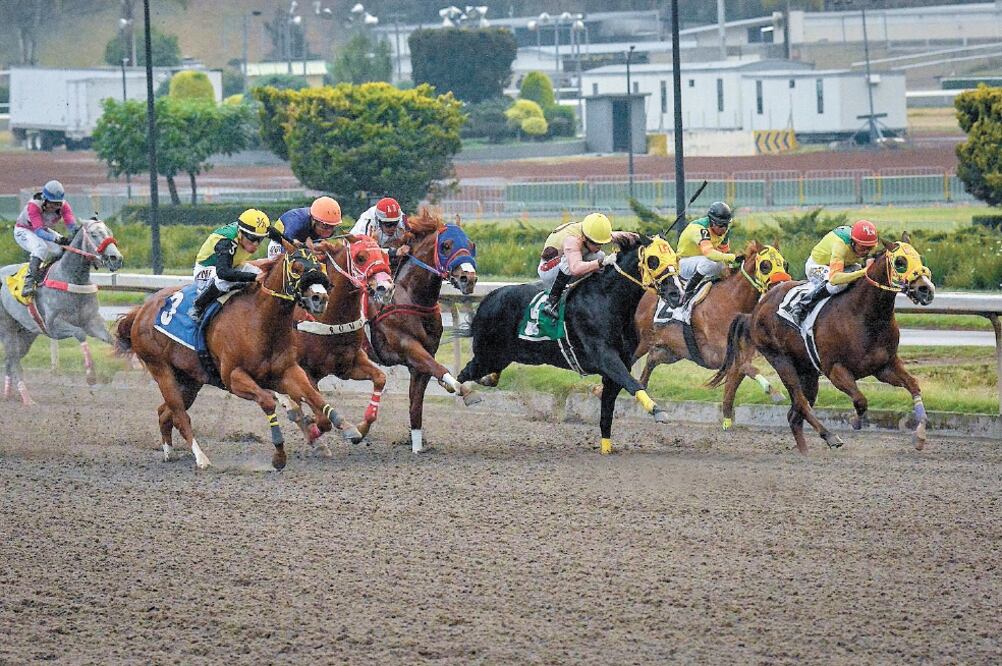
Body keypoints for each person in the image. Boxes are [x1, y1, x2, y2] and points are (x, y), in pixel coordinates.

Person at [538, 212, 636, 319]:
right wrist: (601, 262)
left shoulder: (592, 232)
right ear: (585, 238)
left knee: (599, 255)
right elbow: (575, 269)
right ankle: (552, 301)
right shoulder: (573, 240)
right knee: (591, 260)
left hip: (568, 261)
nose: (599, 246)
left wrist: (647, 240)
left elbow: (626, 236)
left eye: (601, 243)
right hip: (549, 271)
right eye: (596, 243)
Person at [189, 208, 280, 322]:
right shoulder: (226, 242)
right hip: (207, 270)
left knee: (262, 274)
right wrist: (253, 277)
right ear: (240, 233)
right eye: (252, 239)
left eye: (260, 239)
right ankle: (198, 306)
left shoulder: (252, 229)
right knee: (224, 281)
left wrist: (293, 244)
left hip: (232, 266)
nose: (256, 244)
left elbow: (276, 234)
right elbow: (223, 273)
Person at [790, 219, 879, 321]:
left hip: (844, 264)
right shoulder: (840, 245)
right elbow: (834, 279)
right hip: (816, 266)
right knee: (839, 285)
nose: (866, 252)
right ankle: (803, 305)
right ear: (853, 242)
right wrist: (864, 272)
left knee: (860, 275)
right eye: (863, 247)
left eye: (870, 248)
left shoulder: (866, 243)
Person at [13, 180, 78, 298]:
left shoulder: (64, 206)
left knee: (62, 249)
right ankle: (28, 283)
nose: (55, 207)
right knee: (40, 248)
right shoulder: (34, 205)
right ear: (44, 199)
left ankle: (48, 275)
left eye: (58, 203)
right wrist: (56, 238)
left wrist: (75, 234)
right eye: (52, 203)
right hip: (24, 230)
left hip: (43, 230)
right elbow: (38, 231)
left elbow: (71, 225)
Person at [676, 201, 736, 306]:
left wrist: (732, 266)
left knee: (722, 266)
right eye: (721, 225)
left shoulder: (725, 231)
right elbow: (709, 254)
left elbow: (725, 252)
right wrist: (733, 258)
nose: (724, 229)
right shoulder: (699, 229)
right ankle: (687, 291)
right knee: (709, 262)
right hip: (683, 266)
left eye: (726, 224)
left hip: (700, 265)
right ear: (712, 221)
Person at [267, 196, 343, 258]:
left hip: (303, 242)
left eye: (333, 226)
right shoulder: (297, 222)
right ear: (314, 220)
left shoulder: (318, 224)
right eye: (325, 226)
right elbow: (286, 245)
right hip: (280, 243)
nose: (329, 231)